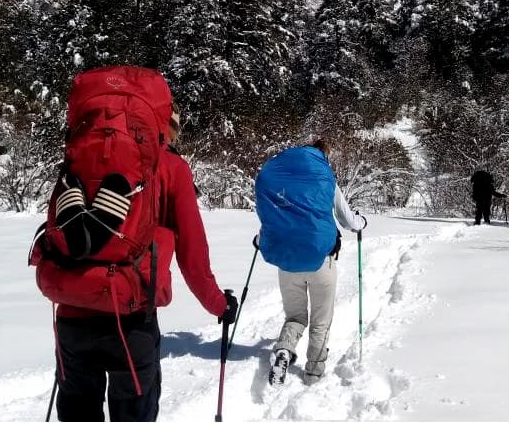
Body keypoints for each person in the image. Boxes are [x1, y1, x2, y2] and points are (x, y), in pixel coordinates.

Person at [35, 69, 237, 422]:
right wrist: (219, 306)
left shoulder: (80, 157)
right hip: (131, 317)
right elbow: (193, 254)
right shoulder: (172, 168)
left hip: (72, 309)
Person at [255, 139, 367, 386]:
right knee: (321, 321)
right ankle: (314, 373)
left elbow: (272, 219)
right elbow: (348, 219)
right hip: (321, 262)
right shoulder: (326, 180)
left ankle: (284, 349)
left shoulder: (282, 183)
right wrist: (361, 223)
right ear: (321, 157)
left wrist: (260, 239)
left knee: (295, 317)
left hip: (288, 263)